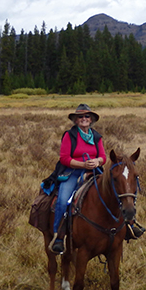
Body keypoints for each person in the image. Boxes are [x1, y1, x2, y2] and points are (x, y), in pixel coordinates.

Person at [49, 104, 107, 254]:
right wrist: (82, 164)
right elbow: (64, 158)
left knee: (115, 192)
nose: (84, 119)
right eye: (80, 117)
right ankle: (59, 237)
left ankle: (127, 226)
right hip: (72, 173)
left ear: (92, 119)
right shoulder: (69, 135)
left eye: (87, 116)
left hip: (94, 172)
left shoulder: (96, 136)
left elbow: (103, 157)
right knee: (62, 200)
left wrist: (97, 162)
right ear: (75, 120)